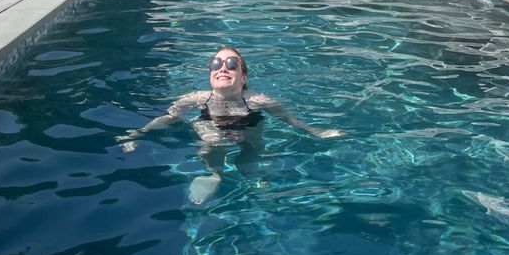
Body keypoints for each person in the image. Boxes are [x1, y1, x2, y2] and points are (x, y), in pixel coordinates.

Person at [116, 46, 344, 204]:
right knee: (212, 140)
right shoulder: (196, 98)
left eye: (231, 64)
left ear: (243, 77)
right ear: (211, 74)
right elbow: (169, 117)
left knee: (253, 151)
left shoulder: (259, 100)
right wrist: (138, 133)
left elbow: (290, 120)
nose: (222, 68)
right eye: (216, 63)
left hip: (248, 128)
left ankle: (256, 172)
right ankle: (213, 173)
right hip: (211, 126)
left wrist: (317, 132)